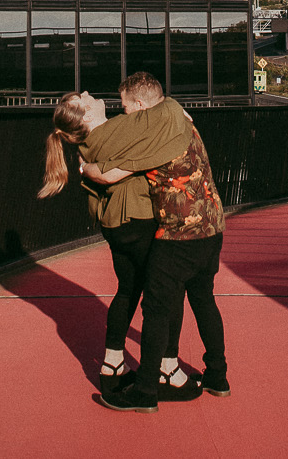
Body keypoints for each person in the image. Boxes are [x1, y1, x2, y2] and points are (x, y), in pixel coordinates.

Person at [84, 71, 229, 412]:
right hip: (213, 226)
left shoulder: (152, 135)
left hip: (178, 234)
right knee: (204, 300)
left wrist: (82, 169)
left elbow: (108, 175)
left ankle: (146, 390)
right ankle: (217, 376)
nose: (122, 114)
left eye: (123, 106)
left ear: (139, 105)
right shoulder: (180, 118)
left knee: (156, 309)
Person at [38, 89, 187, 392]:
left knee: (128, 290)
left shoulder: (87, 142)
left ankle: (112, 365)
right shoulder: (117, 129)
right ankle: (168, 368)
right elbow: (172, 113)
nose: (88, 93)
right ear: (88, 116)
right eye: (83, 98)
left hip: (116, 224)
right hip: (139, 218)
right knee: (168, 289)